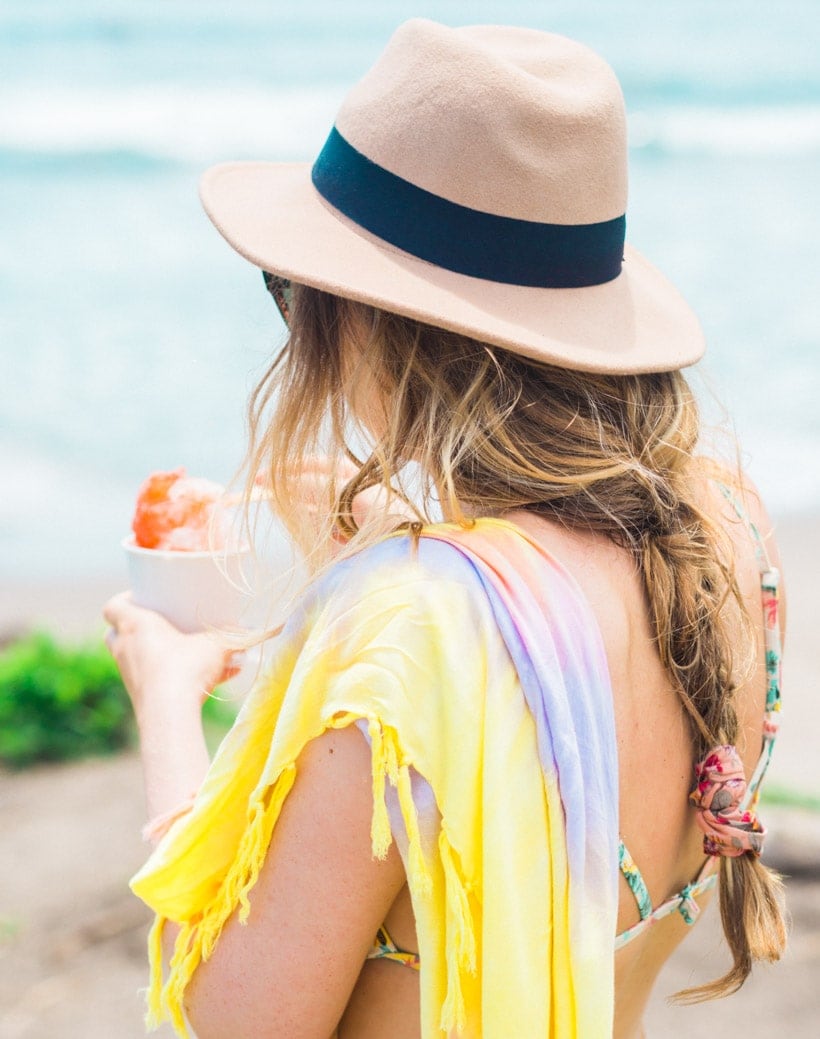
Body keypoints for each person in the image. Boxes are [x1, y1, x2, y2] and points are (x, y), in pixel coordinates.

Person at [103, 19, 787, 1039]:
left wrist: (164, 701)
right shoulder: (725, 523)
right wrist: (403, 547)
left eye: (293, 289)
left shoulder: (413, 632)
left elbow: (223, 1022)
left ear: (373, 316)